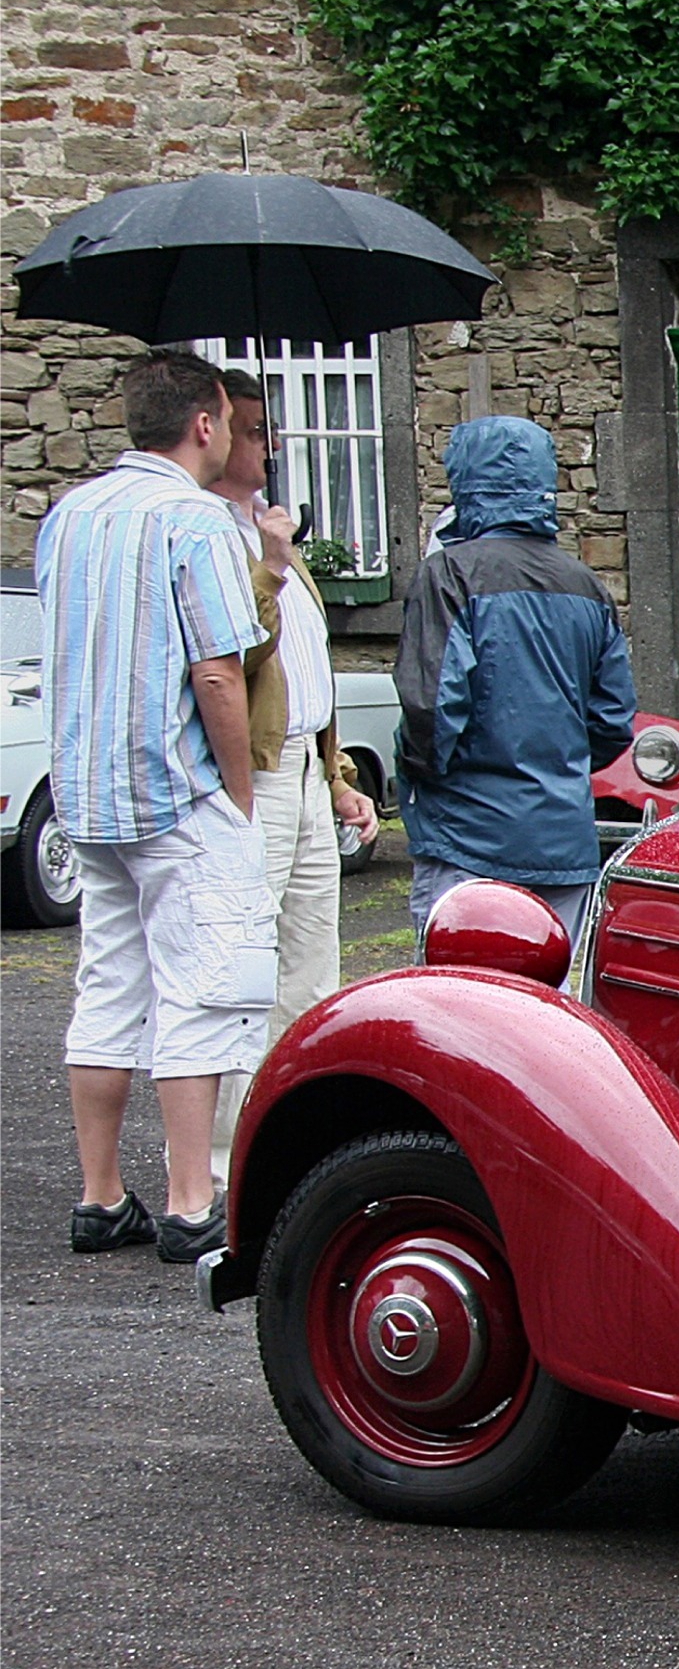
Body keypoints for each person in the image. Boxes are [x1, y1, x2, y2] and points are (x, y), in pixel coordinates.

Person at [38, 348, 274, 1263]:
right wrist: (239, 791)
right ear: (207, 423)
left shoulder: (71, 515)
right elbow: (217, 668)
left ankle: (101, 1198)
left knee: (108, 986)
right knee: (202, 994)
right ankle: (190, 1202)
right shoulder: (198, 521)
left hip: (88, 793)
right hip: (176, 790)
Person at [183, 372, 381, 1192]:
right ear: (216, 434)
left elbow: (306, 672)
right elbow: (236, 659)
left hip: (300, 763)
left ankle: (295, 1133)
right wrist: (267, 566)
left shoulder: (270, 537)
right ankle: (226, 1159)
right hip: (254, 772)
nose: (270, 446)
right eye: (256, 430)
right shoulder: (209, 535)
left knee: (311, 959)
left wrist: (335, 775)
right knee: (240, 960)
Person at [395, 416, 634, 939]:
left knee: (456, 1006)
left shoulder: (449, 573)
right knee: (541, 1009)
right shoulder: (586, 584)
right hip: (562, 838)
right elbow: (613, 721)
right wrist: (552, 767)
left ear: (464, 483)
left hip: (468, 836)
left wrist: (422, 780)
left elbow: (431, 712)